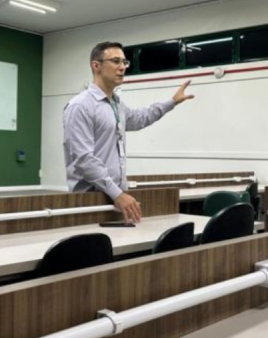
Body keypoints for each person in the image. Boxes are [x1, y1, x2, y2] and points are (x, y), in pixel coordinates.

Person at [63, 41, 194, 223]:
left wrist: (172, 102)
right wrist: (117, 193)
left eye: (124, 62)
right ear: (96, 65)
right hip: (90, 200)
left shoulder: (116, 104)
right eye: (116, 61)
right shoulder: (80, 106)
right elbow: (84, 159)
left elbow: (141, 118)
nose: (122, 67)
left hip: (113, 196)